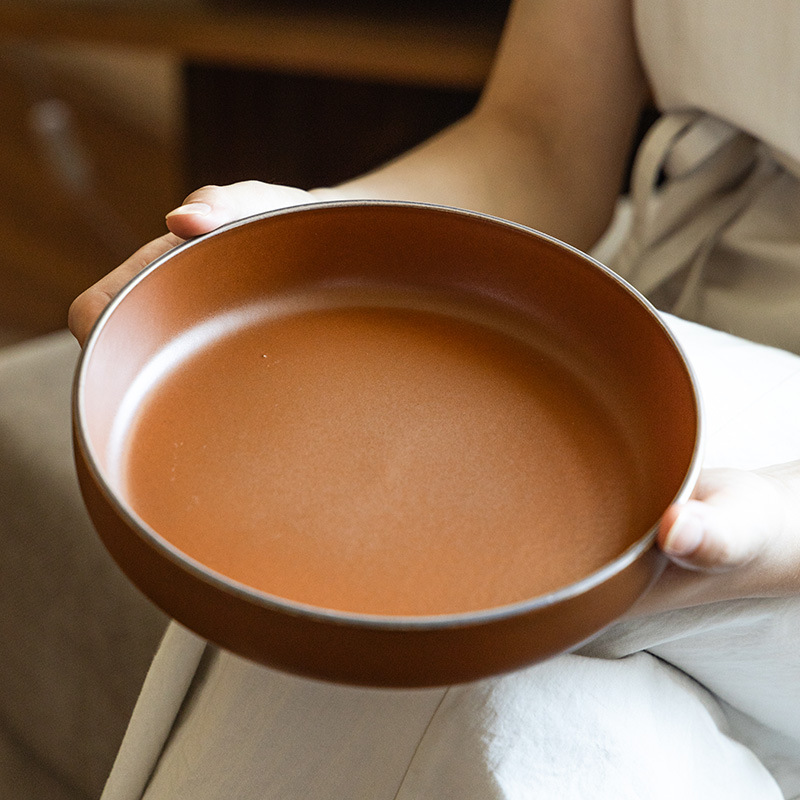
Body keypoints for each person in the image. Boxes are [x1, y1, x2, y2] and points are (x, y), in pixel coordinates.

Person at [2, 0, 799, 797]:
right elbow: (539, 140)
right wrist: (316, 224)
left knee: (419, 656)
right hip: (639, 307)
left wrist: (779, 523)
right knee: (445, 672)